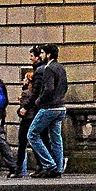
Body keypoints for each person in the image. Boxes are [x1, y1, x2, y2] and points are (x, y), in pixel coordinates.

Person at [27, 43, 69, 178]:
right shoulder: (61, 68)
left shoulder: (48, 68)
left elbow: (48, 89)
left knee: (32, 134)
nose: (41, 55)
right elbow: (65, 87)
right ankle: (58, 169)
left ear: (48, 55)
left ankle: (49, 164)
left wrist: (38, 101)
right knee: (56, 139)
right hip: (61, 107)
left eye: (43, 53)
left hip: (49, 107)